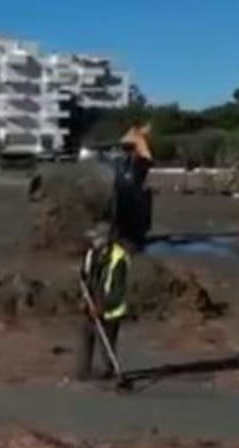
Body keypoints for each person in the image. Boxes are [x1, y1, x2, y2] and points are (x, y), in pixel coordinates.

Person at [76, 224, 130, 381]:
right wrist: (84, 296)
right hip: (92, 302)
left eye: (96, 238)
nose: (93, 241)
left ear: (105, 240)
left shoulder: (119, 259)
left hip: (111, 309)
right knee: (86, 335)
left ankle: (111, 371)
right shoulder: (91, 254)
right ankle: (83, 371)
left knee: (106, 343)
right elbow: (86, 275)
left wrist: (101, 307)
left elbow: (118, 291)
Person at [112, 122, 154, 249]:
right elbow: (147, 158)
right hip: (133, 195)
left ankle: (125, 234)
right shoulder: (139, 158)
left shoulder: (120, 161)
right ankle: (132, 235)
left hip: (125, 195)